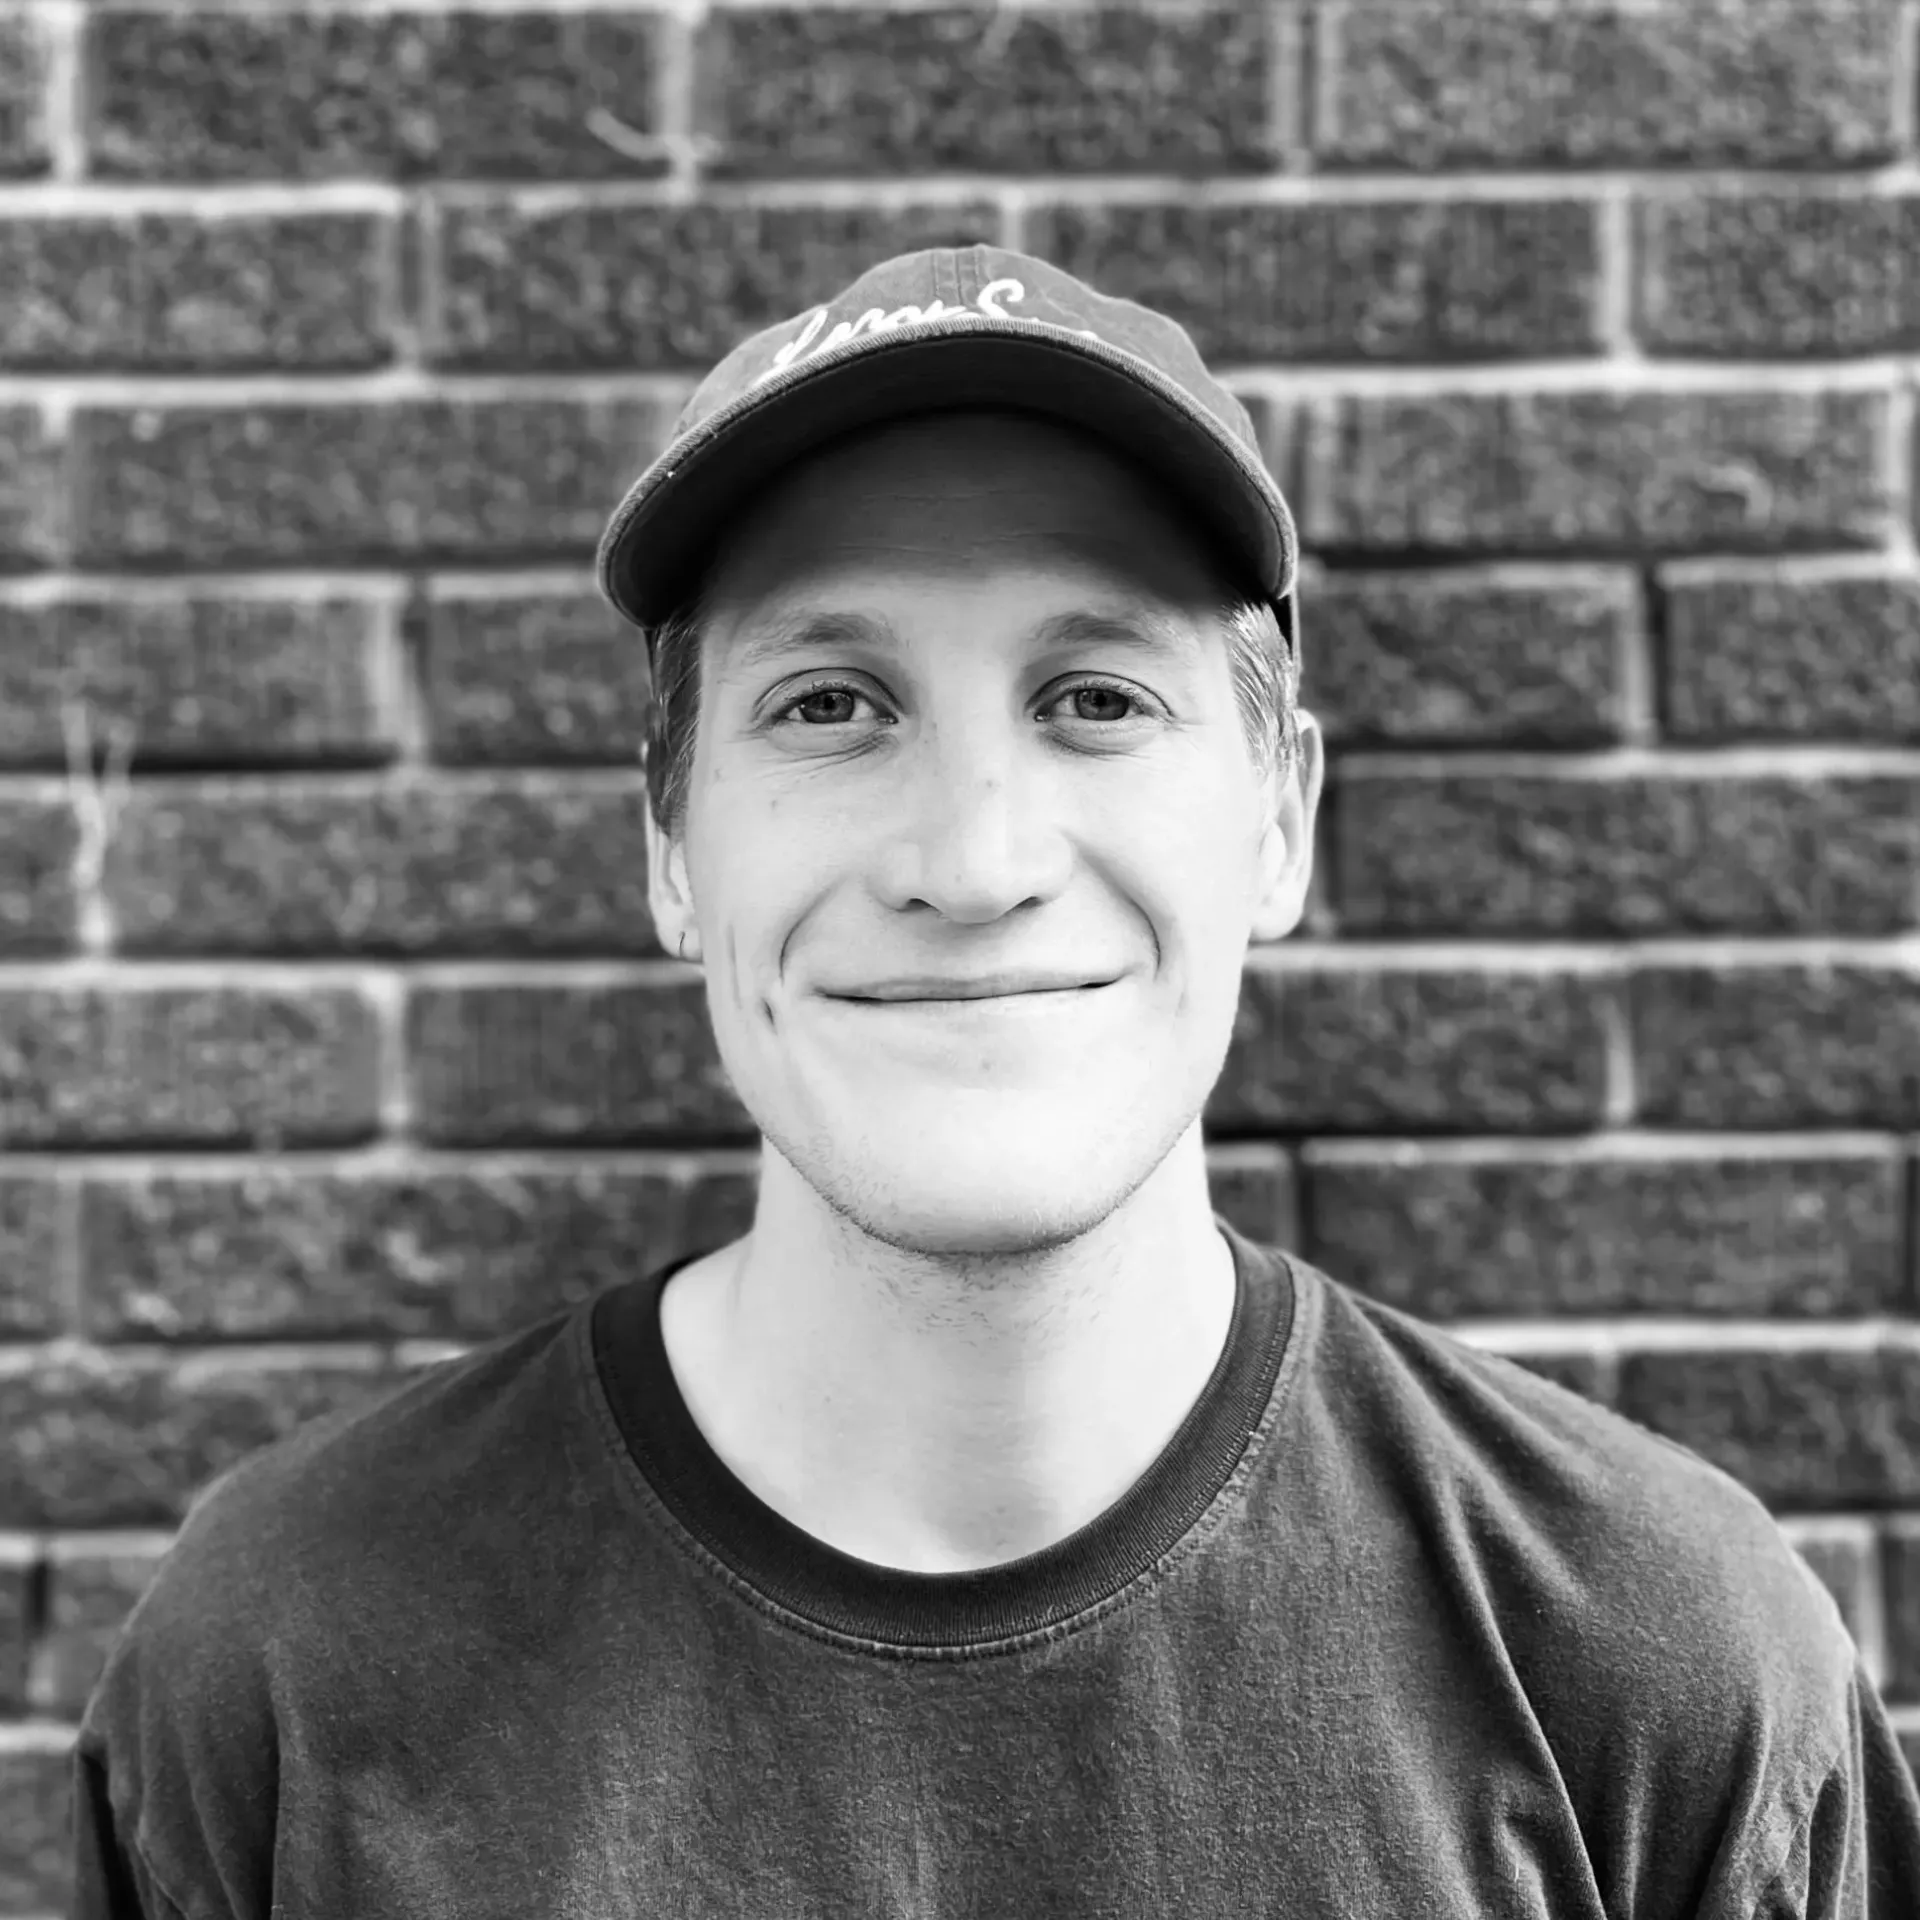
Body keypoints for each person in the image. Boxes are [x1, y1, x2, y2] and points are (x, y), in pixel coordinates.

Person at [72, 246, 1920, 1917]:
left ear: (1278, 822)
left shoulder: (1652, 1667)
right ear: (670, 851)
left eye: (1096, 699)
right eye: (829, 704)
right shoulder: (285, 1669)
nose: (973, 857)